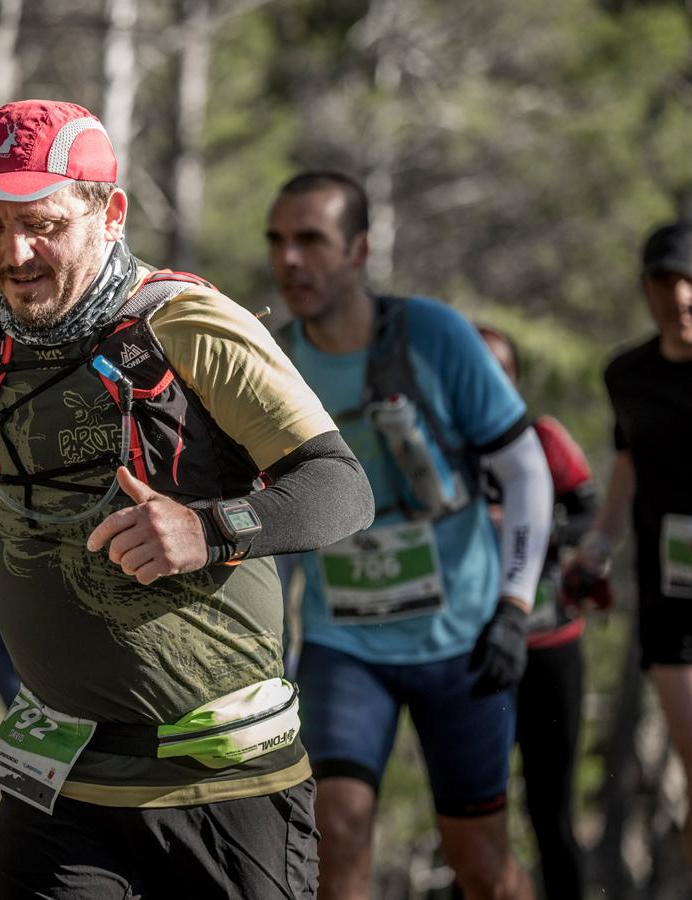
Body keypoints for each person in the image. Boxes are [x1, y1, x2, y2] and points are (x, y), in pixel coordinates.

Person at [0, 100, 374, 899]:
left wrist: (208, 528)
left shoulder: (187, 324)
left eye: (42, 223)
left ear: (109, 212)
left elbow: (341, 488)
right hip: (57, 779)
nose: (14, 254)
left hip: (223, 781)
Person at [266, 171, 554, 900]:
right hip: (345, 645)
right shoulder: (270, 361)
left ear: (359, 250)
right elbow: (265, 516)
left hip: (463, 640)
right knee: (338, 827)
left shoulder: (435, 335)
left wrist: (516, 610)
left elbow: (525, 470)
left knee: (481, 863)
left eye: (311, 240)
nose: (289, 260)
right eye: (277, 241)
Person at [565, 220, 692, 876]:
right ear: (647, 290)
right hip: (673, 593)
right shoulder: (628, 375)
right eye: (667, 282)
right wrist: (597, 546)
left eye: (691, 281)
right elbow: (627, 466)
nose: (681, 296)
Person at [478, 324, 598, 900]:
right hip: (475, 655)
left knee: (551, 812)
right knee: (476, 816)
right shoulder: (446, 450)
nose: (490, 381)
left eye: (501, 370)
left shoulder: (544, 438)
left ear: (517, 379)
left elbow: (592, 513)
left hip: (551, 649)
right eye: (479, 369)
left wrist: (534, 529)